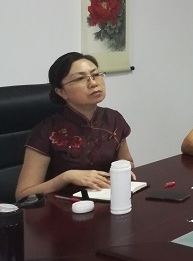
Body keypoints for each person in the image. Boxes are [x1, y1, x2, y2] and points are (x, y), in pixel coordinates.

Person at [15, 52, 134, 199]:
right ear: (61, 92)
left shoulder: (113, 118)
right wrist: (66, 177)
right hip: (63, 207)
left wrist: (121, 170)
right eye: (80, 78)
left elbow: (127, 161)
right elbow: (23, 194)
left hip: (107, 200)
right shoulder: (46, 131)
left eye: (96, 74)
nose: (93, 83)